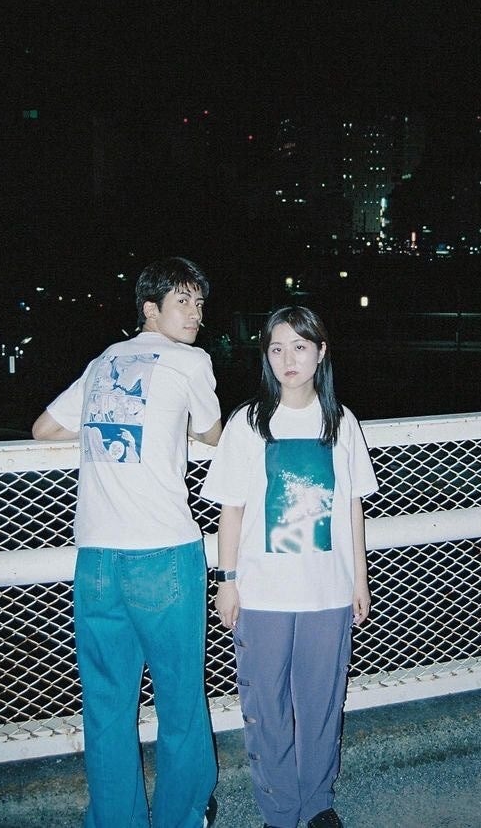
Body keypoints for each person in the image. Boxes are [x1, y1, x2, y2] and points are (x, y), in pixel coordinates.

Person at [32, 257, 222, 828]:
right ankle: (182, 817)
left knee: (108, 703)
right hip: (163, 554)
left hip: (96, 559)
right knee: (180, 700)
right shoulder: (191, 361)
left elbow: (43, 429)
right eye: (182, 301)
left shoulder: (102, 363)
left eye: (199, 303)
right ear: (150, 309)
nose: (195, 314)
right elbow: (213, 433)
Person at [200, 305, 378, 828]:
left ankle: (318, 802)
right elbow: (231, 509)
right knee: (266, 705)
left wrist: (360, 579)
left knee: (323, 702)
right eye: (276, 348)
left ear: (320, 352)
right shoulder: (247, 422)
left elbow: (352, 507)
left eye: (300, 346)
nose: (288, 359)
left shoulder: (341, 422)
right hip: (262, 592)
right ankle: (278, 810)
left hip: (327, 590)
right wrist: (227, 582)